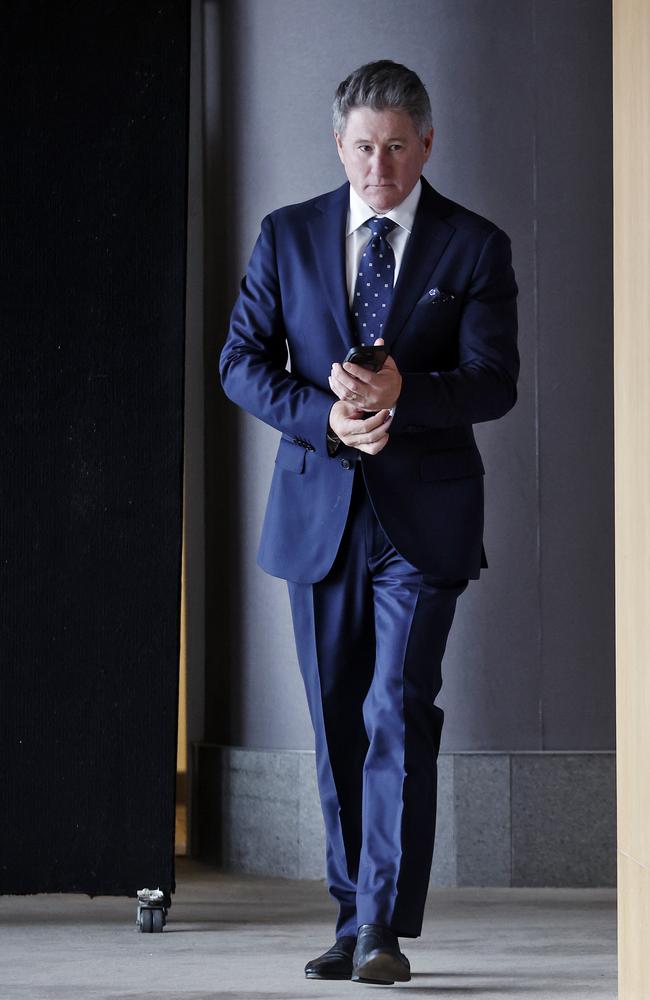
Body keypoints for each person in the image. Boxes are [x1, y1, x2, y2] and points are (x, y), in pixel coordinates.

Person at [220, 60, 518, 986]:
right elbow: (240, 361)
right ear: (338, 144)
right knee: (335, 721)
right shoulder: (288, 235)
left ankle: (383, 925)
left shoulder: (474, 245)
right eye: (362, 147)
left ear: (427, 144)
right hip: (319, 513)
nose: (377, 167)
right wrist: (326, 416)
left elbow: (494, 382)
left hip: (421, 520)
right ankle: (351, 916)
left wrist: (405, 394)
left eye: (396, 148)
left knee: (396, 708)